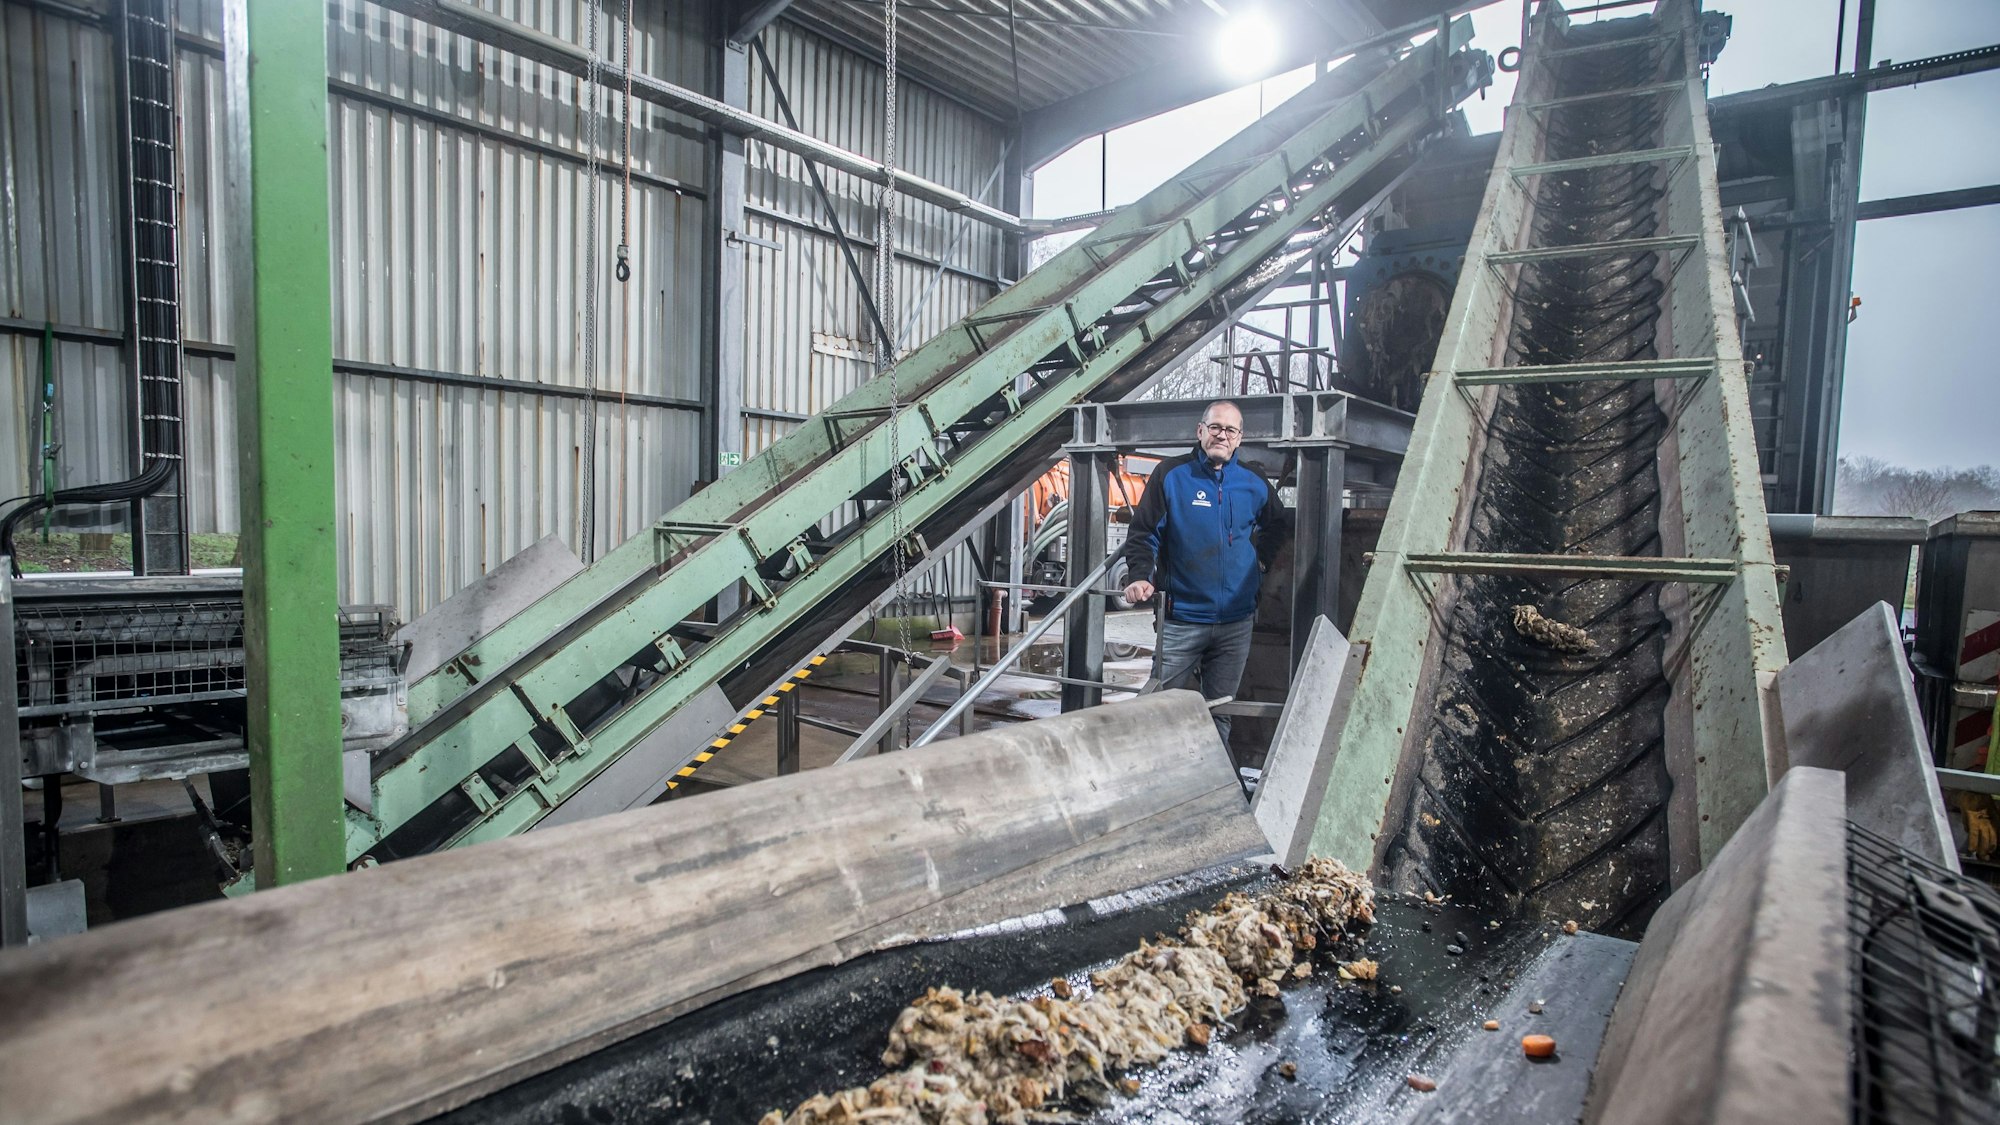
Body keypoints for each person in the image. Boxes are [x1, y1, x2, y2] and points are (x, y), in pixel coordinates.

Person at [1117, 400, 1290, 744]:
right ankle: (1154, 790)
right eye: (1214, 428)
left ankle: (1219, 792)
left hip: (1236, 624)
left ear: (1239, 438)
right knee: (1158, 712)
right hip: (1182, 620)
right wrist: (1139, 574)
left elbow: (1278, 524)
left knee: (1219, 715)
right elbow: (1143, 532)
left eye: (1230, 430)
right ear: (1200, 432)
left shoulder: (1254, 482)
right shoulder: (1171, 475)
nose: (1221, 436)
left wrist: (1260, 563)